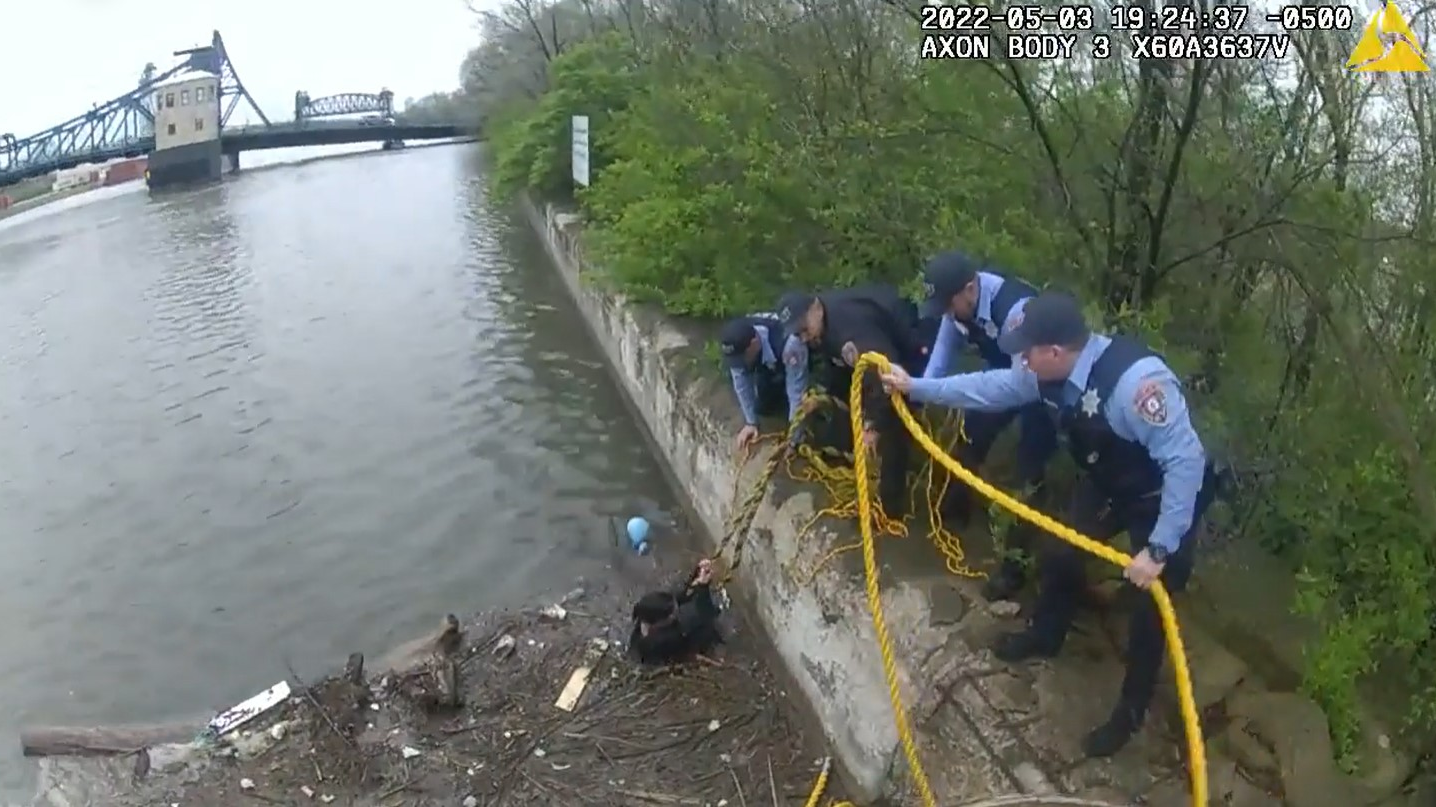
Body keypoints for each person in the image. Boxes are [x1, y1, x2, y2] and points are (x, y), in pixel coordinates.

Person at [877, 290, 1219, 758]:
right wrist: (916, 387)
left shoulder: (1136, 386)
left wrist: (1158, 549)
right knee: (1061, 552)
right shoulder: (1044, 374)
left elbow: (1186, 462)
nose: (1020, 358)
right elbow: (989, 387)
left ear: (1055, 352)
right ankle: (1047, 633)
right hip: (1110, 481)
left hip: (1163, 500)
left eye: (1027, 351)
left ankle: (1129, 712)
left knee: (1149, 612)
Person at [919, 252, 1059, 601]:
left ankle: (1015, 568)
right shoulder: (959, 310)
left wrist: (949, 390)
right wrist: (916, 393)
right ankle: (953, 511)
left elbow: (1017, 384)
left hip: (1040, 389)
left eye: (950, 305)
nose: (948, 315)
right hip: (1004, 379)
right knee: (968, 437)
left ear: (970, 289)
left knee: (1029, 475)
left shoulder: (1015, 311)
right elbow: (941, 353)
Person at [777, 284, 928, 519]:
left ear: (816, 308)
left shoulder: (850, 333)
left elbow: (881, 377)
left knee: (892, 427)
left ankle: (890, 509)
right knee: (842, 409)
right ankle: (850, 453)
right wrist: (824, 396)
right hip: (878, 354)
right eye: (798, 334)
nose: (804, 337)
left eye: (805, 329)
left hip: (909, 349)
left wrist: (872, 425)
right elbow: (837, 368)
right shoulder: (822, 327)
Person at [719, 314, 811, 451]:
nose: (738, 364)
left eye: (741, 358)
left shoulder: (790, 344)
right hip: (768, 360)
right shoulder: (739, 340)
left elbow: (796, 390)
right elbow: (741, 383)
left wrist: (794, 435)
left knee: (807, 408)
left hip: (800, 354)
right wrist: (751, 423)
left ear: (754, 344)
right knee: (764, 407)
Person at [628, 559, 723, 665]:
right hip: (673, 651)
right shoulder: (663, 639)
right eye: (673, 613)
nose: (676, 611)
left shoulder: (647, 615)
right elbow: (707, 614)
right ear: (659, 623)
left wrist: (696, 575)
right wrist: (703, 588)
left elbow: (679, 597)